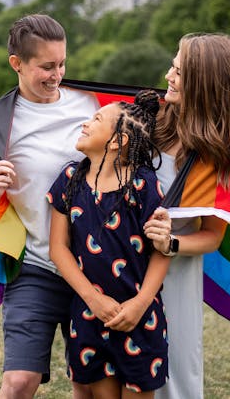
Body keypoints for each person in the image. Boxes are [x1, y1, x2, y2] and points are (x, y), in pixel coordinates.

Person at [0, 14, 100, 398]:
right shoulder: (0, 120)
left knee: (89, 385)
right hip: (36, 268)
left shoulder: (90, 103)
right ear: (17, 64)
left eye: (61, 63)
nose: (57, 74)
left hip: (94, 266)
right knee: (19, 382)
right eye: (46, 66)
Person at [142, 33, 230, 399]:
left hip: (175, 279)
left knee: (173, 377)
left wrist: (172, 242)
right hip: (126, 267)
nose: (167, 76)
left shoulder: (221, 155)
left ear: (202, 82)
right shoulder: (153, 117)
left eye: (178, 72)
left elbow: (213, 235)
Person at [48, 90, 171, 398]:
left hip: (139, 319)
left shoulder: (144, 185)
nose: (87, 123)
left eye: (97, 118)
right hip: (90, 317)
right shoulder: (69, 179)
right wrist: (93, 299)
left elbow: (161, 252)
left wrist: (140, 304)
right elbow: (58, 249)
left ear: (117, 141)